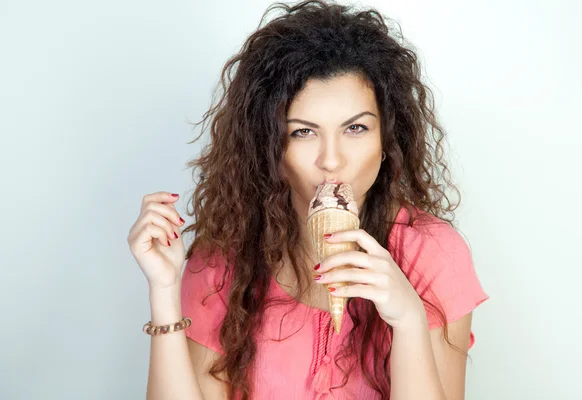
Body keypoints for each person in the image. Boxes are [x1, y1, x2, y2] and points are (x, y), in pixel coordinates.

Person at [127, 1, 489, 399]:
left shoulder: (433, 255)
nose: (331, 160)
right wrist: (164, 291)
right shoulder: (223, 263)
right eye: (303, 132)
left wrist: (408, 320)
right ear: (270, 149)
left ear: (387, 140)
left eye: (355, 128)